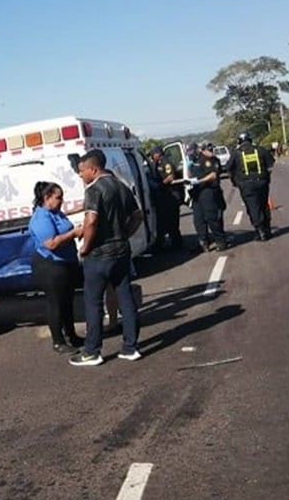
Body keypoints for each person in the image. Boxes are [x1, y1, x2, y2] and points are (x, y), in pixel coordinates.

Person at [70, 149, 144, 366]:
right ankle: (131, 347)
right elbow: (137, 216)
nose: (81, 175)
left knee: (93, 303)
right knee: (126, 298)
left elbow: (91, 220)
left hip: (99, 254)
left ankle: (92, 352)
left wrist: (85, 246)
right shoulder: (120, 186)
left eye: (82, 171)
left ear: (93, 169)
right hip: (121, 250)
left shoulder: (94, 190)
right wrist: (123, 234)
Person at [28, 181, 84, 354]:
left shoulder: (56, 213)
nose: (62, 201)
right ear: (47, 198)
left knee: (67, 301)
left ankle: (71, 335)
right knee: (56, 303)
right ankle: (58, 341)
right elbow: (51, 244)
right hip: (50, 265)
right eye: (58, 197)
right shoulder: (41, 218)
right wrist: (74, 233)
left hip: (65, 263)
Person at [224, 132, 274, 241]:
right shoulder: (260, 150)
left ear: (239, 142)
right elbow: (270, 163)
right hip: (262, 183)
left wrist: (234, 181)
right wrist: (266, 177)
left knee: (253, 207)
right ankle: (267, 229)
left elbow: (228, 168)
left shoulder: (236, 153)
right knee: (263, 205)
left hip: (246, 185)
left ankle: (260, 231)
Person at [186, 143, 228, 252]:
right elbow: (191, 176)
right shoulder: (192, 162)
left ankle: (220, 241)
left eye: (192, 153)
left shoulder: (206, 159)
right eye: (189, 154)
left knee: (211, 217)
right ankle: (203, 242)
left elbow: (213, 175)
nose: (191, 155)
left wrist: (199, 181)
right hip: (196, 193)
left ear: (197, 151)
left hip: (207, 191)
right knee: (198, 220)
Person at [148, 145, 183, 250]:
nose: (153, 157)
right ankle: (169, 242)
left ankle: (177, 243)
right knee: (166, 220)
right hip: (165, 195)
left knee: (172, 221)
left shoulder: (166, 162)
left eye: (153, 154)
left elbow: (170, 177)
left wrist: (161, 184)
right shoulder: (157, 163)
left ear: (158, 153)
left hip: (171, 195)